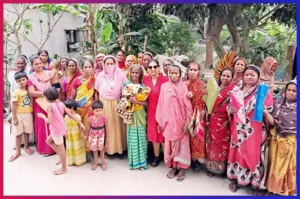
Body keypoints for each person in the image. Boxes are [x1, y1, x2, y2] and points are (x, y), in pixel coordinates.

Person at [227, 65, 274, 195]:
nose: (249, 77)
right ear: (243, 76)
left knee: (253, 154)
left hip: (254, 130)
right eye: (247, 74)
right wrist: (230, 110)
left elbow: (269, 109)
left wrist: (263, 110)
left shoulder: (264, 91)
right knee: (238, 152)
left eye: (252, 75)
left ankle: (254, 183)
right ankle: (236, 178)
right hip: (238, 128)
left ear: (258, 77)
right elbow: (230, 106)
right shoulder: (237, 89)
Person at [156, 65, 193, 182]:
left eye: (176, 73)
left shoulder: (184, 87)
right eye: (171, 73)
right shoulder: (164, 87)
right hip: (169, 120)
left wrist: (188, 122)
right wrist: (161, 121)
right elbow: (162, 104)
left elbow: (188, 106)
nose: (173, 75)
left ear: (180, 74)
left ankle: (182, 168)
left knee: (183, 145)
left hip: (182, 120)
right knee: (170, 144)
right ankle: (173, 166)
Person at [37, 87, 85, 175]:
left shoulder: (50, 107)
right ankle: (60, 156)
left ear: (48, 98)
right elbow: (70, 114)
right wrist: (80, 122)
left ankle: (64, 168)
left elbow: (49, 121)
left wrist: (42, 116)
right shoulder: (61, 104)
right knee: (48, 141)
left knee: (61, 147)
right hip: (61, 127)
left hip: (56, 129)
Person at [266, 80, 296, 196]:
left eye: (294, 91)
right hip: (276, 139)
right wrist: (266, 114)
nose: (291, 93)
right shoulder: (278, 103)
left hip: (290, 140)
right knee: (274, 165)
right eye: (289, 90)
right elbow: (273, 122)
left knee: (285, 167)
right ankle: (272, 188)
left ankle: (283, 190)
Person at [95, 55, 128, 155]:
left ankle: (120, 148)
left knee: (118, 126)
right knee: (107, 126)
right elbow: (96, 91)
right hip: (104, 104)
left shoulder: (121, 75)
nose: (109, 65)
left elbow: (126, 89)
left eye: (111, 63)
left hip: (117, 103)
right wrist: (97, 106)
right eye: (107, 63)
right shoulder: (100, 75)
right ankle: (107, 149)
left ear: (115, 64)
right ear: (103, 65)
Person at [206, 68, 235, 177]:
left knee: (222, 146)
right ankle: (211, 168)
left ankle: (221, 170)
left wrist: (228, 120)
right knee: (212, 144)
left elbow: (234, 106)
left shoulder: (233, 90)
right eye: (223, 75)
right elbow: (208, 102)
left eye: (228, 76)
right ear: (220, 76)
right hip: (213, 120)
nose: (225, 78)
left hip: (224, 122)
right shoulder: (214, 88)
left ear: (232, 78)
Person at [27, 55, 54, 156]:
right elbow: (31, 92)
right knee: (42, 125)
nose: (39, 65)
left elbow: (56, 85)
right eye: (36, 64)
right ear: (32, 65)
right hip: (39, 103)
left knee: (52, 123)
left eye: (40, 63)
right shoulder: (31, 77)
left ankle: (54, 148)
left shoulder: (49, 73)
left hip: (51, 101)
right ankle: (44, 149)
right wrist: (45, 93)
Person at [143, 59, 168, 167]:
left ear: (159, 68)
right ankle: (157, 156)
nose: (153, 69)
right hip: (151, 111)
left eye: (155, 67)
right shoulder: (145, 80)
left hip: (163, 110)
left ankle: (167, 157)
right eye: (150, 67)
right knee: (154, 134)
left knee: (164, 134)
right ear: (147, 69)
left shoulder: (165, 80)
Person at [7, 56, 35, 148]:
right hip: (15, 100)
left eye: (21, 63)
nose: (19, 65)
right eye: (18, 63)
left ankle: (27, 143)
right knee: (17, 125)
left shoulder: (29, 73)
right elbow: (10, 89)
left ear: (25, 64)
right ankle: (18, 146)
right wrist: (10, 103)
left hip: (26, 103)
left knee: (27, 126)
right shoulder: (11, 74)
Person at [125, 65, 148, 170]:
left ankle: (142, 162)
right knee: (132, 138)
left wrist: (137, 101)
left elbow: (147, 103)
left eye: (136, 73)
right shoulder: (126, 85)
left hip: (140, 114)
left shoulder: (144, 86)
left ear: (140, 74)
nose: (134, 75)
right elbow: (122, 99)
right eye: (133, 72)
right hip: (130, 115)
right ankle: (133, 163)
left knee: (142, 138)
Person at [70, 59, 95, 153]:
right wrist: (71, 109)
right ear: (81, 68)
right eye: (85, 67)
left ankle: (90, 149)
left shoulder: (94, 80)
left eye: (90, 67)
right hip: (78, 108)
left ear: (93, 68)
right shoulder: (77, 80)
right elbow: (72, 97)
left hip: (90, 108)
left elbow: (95, 95)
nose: (88, 69)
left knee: (89, 127)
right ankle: (80, 151)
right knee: (80, 129)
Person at [186, 62, 207, 173]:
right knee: (186, 138)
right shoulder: (183, 85)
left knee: (196, 138)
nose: (192, 72)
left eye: (195, 70)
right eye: (191, 69)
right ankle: (186, 158)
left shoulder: (203, 85)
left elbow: (207, 101)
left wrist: (204, 111)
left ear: (199, 72)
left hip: (198, 115)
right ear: (187, 71)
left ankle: (195, 161)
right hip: (185, 114)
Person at [9, 72, 34, 162]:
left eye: (23, 79)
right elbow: (14, 105)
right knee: (18, 134)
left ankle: (26, 147)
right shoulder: (16, 92)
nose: (22, 82)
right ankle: (18, 151)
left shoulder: (30, 90)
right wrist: (14, 118)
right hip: (19, 115)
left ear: (27, 79)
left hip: (28, 114)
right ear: (16, 82)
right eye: (19, 81)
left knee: (27, 132)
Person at [64, 99, 87, 166]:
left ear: (72, 108)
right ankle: (71, 161)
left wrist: (82, 134)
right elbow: (65, 125)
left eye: (66, 108)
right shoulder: (66, 116)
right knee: (70, 147)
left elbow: (80, 127)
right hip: (69, 135)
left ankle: (78, 161)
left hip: (76, 135)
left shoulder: (77, 116)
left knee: (77, 147)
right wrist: (65, 133)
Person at [88, 101, 108, 171]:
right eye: (97, 111)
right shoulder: (90, 119)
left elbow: (107, 128)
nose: (99, 112)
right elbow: (89, 127)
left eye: (100, 110)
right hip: (93, 136)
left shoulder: (104, 118)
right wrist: (86, 136)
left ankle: (103, 162)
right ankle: (95, 162)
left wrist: (107, 138)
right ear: (93, 110)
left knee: (102, 149)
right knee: (95, 149)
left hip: (101, 136)